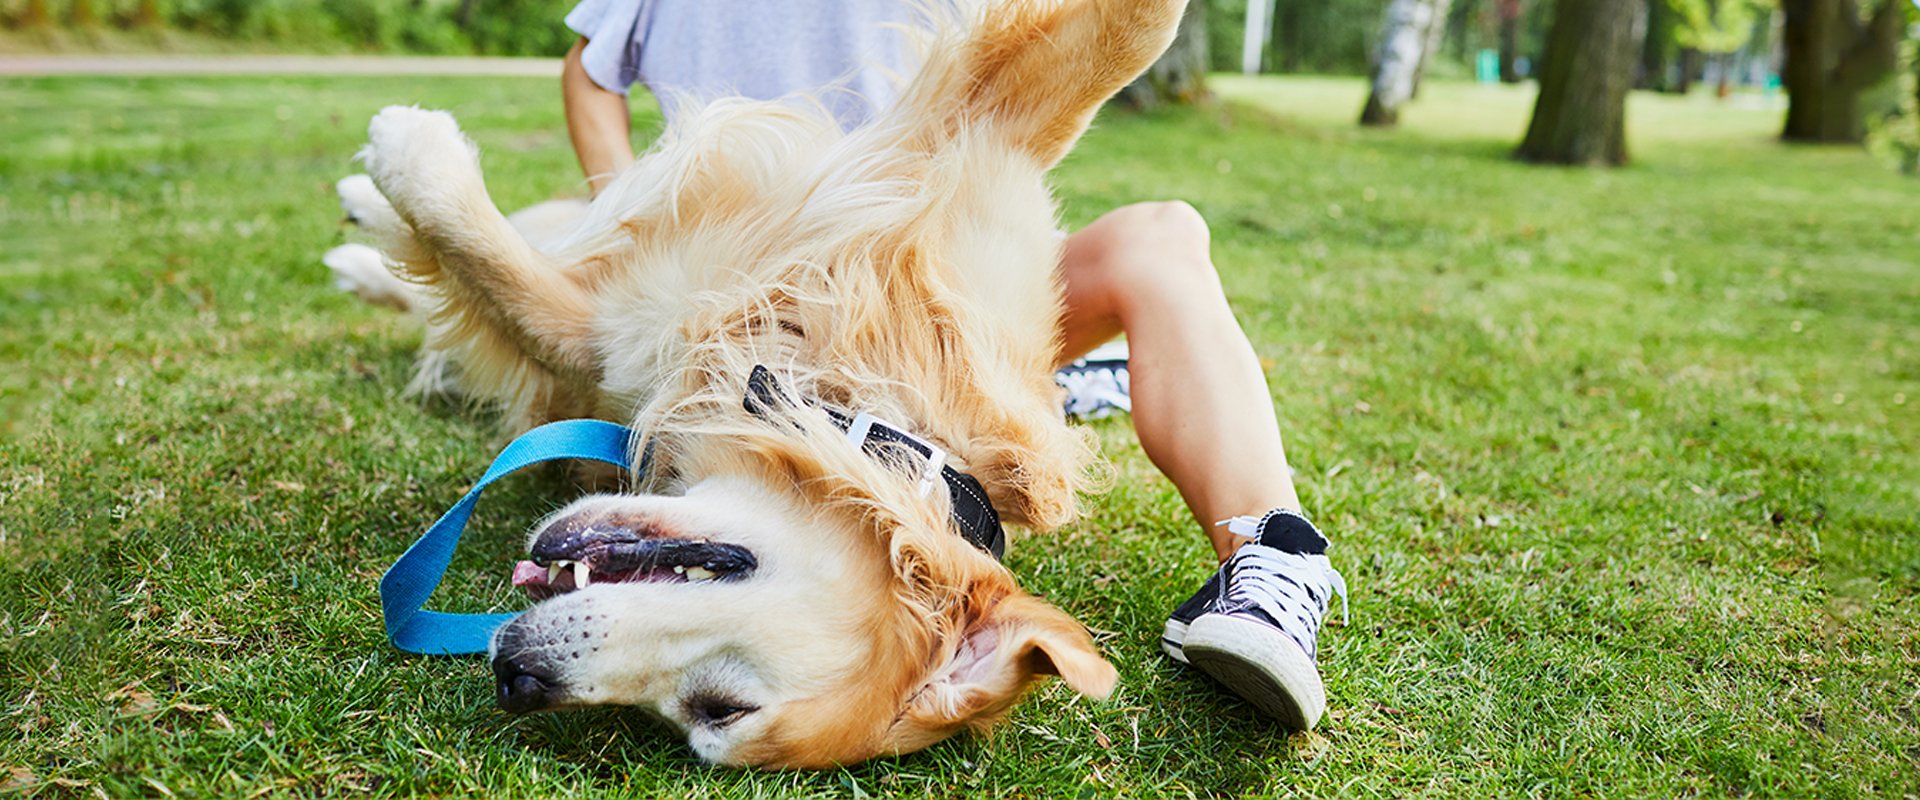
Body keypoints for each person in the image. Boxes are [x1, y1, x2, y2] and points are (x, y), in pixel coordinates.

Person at [558, 0, 1348, 731]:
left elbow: (1006, 96)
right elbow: (592, 71)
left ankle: (1272, 564)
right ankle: (1054, 392)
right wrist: (626, 219)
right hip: (746, 289)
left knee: (1160, 238)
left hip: (924, 275)